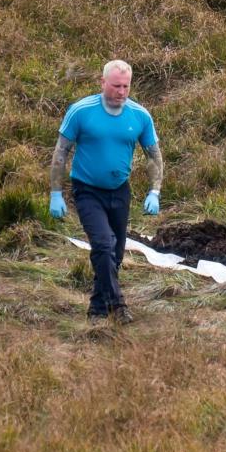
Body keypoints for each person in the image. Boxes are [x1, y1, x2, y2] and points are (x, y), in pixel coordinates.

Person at [48, 59, 164, 323]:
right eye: (115, 86)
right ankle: (118, 305)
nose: (121, 92)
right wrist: (56, 192)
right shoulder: (81, 111)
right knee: (102, 245)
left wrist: (154, 191)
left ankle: (97, 309)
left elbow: (154, 156)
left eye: (125, 86)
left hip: (120, 191)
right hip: (87, 190)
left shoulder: (140, 115)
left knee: (116, 254)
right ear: (103, 83)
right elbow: (60, 152)